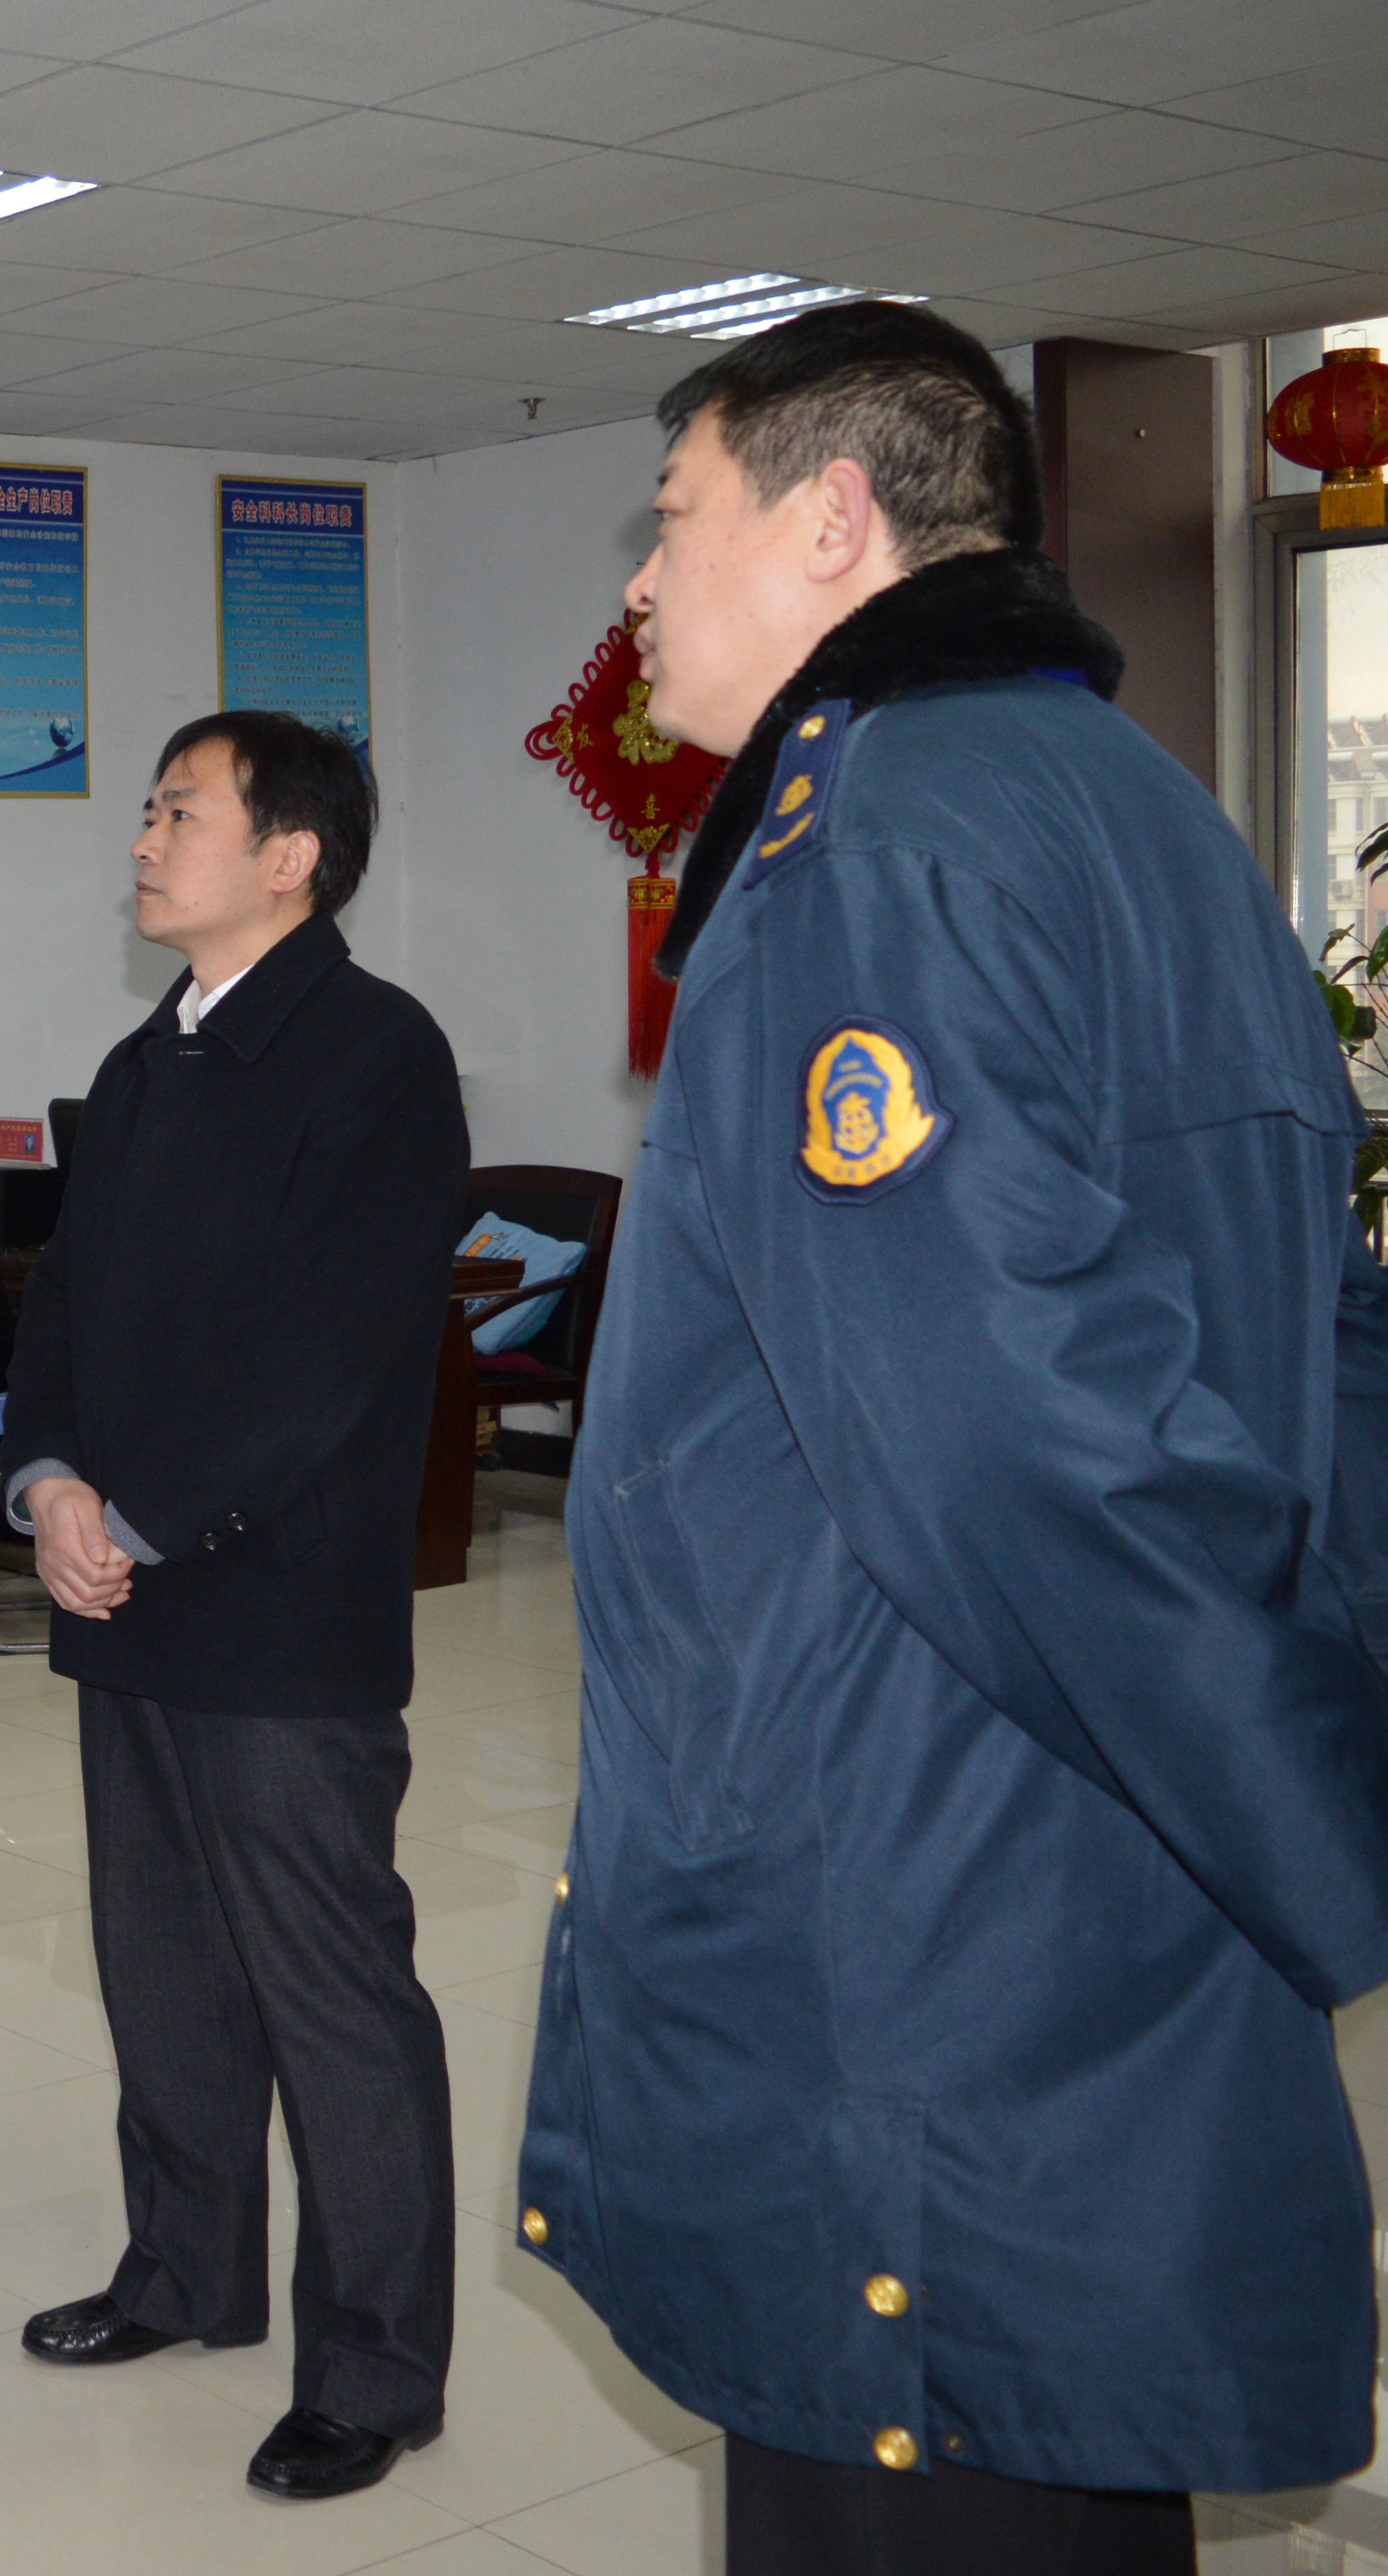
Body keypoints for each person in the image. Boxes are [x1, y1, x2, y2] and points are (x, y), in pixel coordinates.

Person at [528, 299, 1388, 2576]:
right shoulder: (1152, 815)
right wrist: (1300, 1756)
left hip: (908, 1905)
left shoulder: (868, 843)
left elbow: (1012, 1430)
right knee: (1061, 2469)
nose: (641, 584)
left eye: (674, 519)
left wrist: (1308, 1794)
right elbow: (1329, 1337)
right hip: (1103, 1880)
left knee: (917, 2474)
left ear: (832, 523)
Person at [0, 712, 467, 2503]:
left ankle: (376, 2366)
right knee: (163, 1966)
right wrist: (48, 1481)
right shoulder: (147, 1062)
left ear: (290, 855)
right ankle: (184, 2272)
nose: (141, 839)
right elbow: (60, 1303)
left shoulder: (375, 1053)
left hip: (276, 1605)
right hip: (124, 1588)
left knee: (331, 1996)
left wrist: (145, 1515)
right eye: (144, 811)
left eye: (177, 812)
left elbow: (328, 1351)